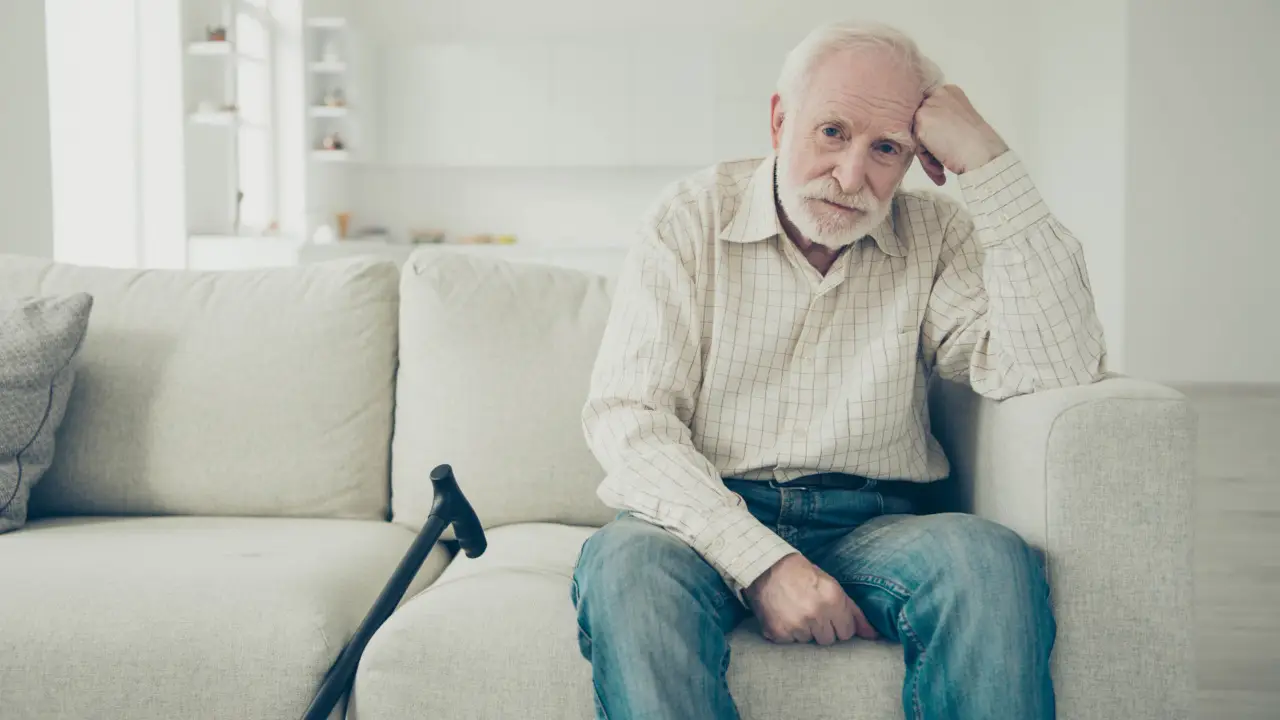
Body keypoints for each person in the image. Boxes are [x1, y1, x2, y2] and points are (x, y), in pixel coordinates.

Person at [571, 19, 1106, 720]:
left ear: (916, 159)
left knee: (986, 560)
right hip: (698, 520)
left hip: (874, 521)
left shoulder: (938, 235)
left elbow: (1056, 365)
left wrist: (989, 163)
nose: (852, 176)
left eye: (886, 148)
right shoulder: (689, 217)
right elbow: (629, 419)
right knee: (626, 568)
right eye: (832, 133)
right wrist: (762, 564)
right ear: (778, 119)